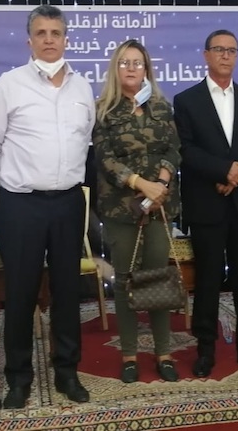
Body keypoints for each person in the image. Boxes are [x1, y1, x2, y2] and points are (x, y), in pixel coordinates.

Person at [0, 5, 94, 409]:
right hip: (21, 204)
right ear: (29, 40)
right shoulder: (9, 85)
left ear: (66, 39)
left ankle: (67, 371)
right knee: (21, 292)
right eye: (41, 33)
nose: (48, 39)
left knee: (67, 290)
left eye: (55, 33)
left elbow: (85, 139)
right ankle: (18, 377)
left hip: (68, 203)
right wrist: (15, 182)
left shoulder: (82, 88)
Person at [173, 30, 238, 377]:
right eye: (219, 50)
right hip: (207, 204)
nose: (226, 56)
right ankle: (205, 349)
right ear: (206, 55)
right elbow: (186, 150)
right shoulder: (186, 100)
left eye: (232, 50)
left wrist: (237, 176)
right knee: (207, 281)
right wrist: (222, 171)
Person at [93, 39, 181, 383]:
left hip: (160, 206)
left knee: (158, 277)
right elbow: (105, 159)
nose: (131, 68)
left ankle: (164, 353)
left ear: (147, 69)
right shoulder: (104, 110)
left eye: (137, 63)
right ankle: (129, 355)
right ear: (116, 69)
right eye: (124, 63)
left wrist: (160, 183)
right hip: (122, 209)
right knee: (125, 281)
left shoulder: (161, 106)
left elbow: (173, 149)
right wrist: (141, 185)